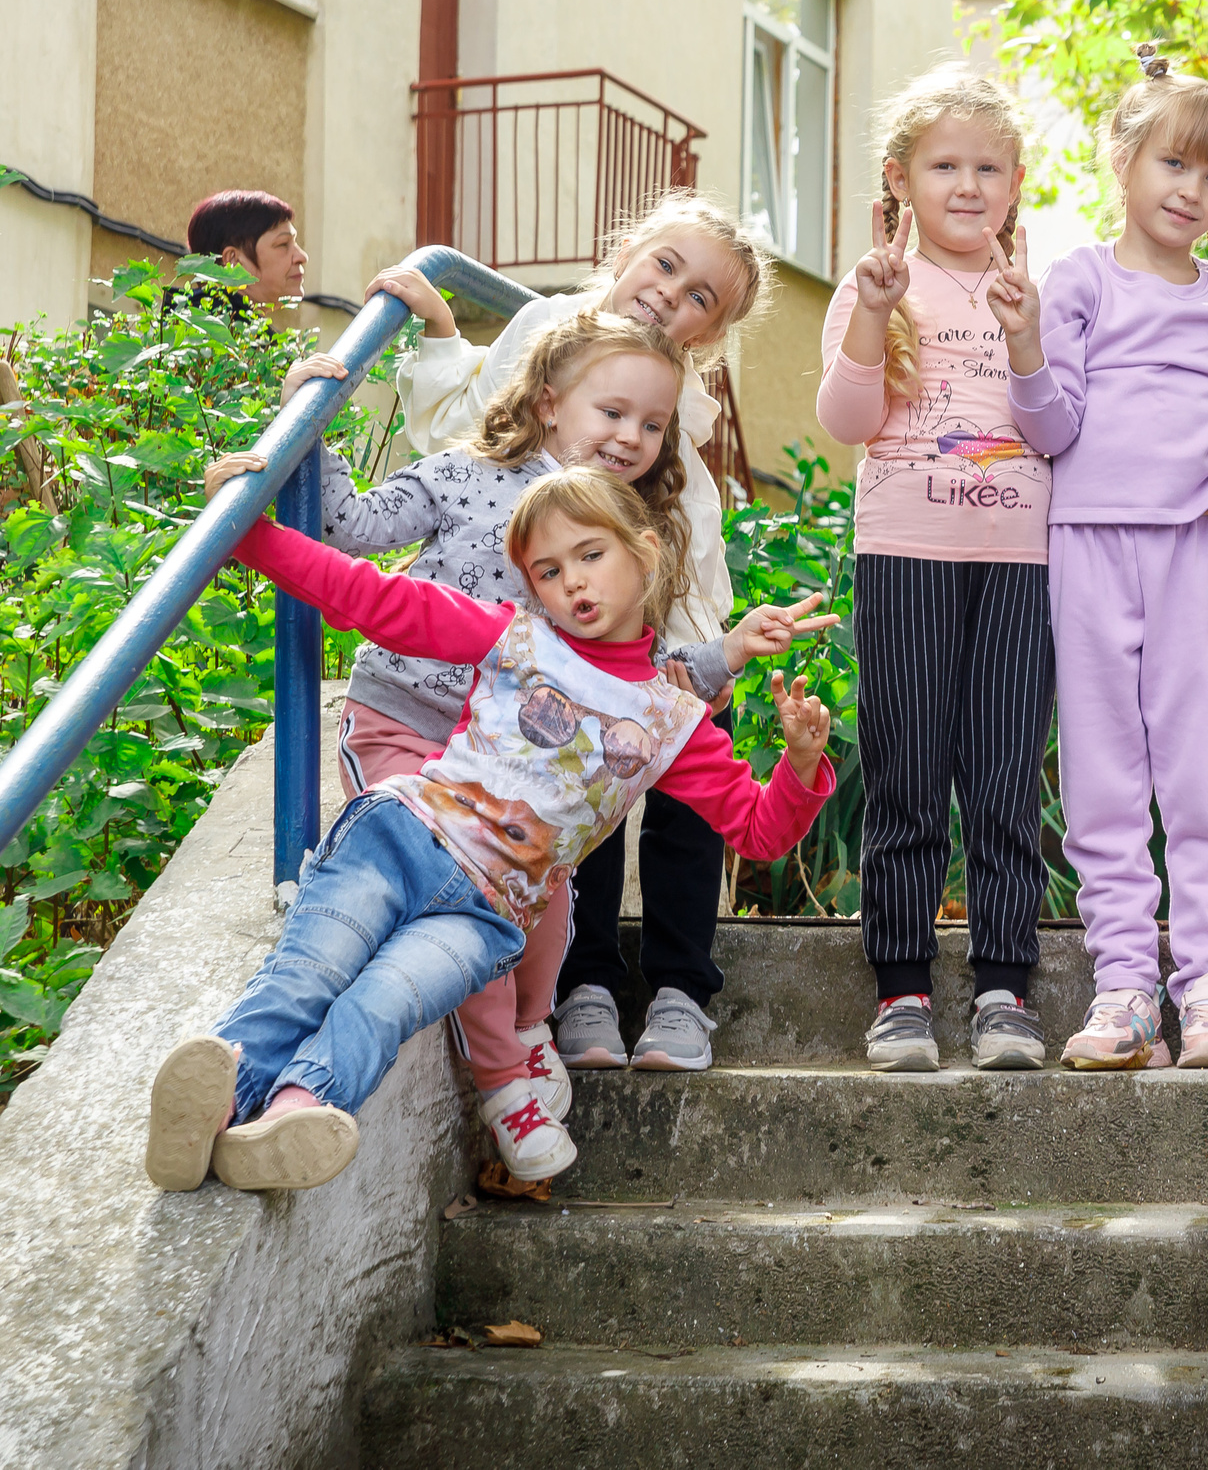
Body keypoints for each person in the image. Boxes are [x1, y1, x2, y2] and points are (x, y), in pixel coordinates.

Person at [144, 462, 835, 1196]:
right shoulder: (514, 636)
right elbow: (371, 598)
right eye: (548, 570)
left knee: (385, 1006)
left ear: (646, 550)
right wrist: (248, 534)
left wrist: (800, 763)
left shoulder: (673, 723)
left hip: (486, 917)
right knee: (309, 976)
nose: (573, 582)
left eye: (591, 554)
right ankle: (214, 1099)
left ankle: (290, 1114)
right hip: (401, 840)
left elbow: (758, 830)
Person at [282, 308, 831, 1174]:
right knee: (451, 910)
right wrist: (307, 434)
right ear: (547, 403)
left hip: (514, 771)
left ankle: (526, 1023)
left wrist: (747, 687)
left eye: (652, 425)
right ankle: (498, 1075)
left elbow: (630, 683)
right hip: (409, 724)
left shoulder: (620, 531)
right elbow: (359, 557)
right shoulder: (466, 480)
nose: (632, 437)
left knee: (545, 902)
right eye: (612, 412)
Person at [384, 191, 771, 1074]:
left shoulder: (678, 414)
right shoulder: (549, 329)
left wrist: (701, 662)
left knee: (684, 764)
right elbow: (470, 429)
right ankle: (586, 981)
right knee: (573, 767)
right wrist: (441, 330)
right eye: (665, 264)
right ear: (626, 254)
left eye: (701, 297)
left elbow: (690, 540)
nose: (671, 294)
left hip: (652, 633)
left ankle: (681, 989)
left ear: (710, 334)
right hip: (547, 640)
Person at [1009, 47, 1208, 1072]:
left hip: (1199, 560)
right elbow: (1050, 429)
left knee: (1205, 782)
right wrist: (1026, 346)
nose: (1193, 190)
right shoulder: (1078, 280)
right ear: (1122, 159)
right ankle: (1125, 986)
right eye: (1175, 163)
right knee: (1103, 781)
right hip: (1086, 550)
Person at [815, 69, 1059, 1072]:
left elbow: (1056, 430)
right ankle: (902, 990)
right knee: (908, 775)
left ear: (1015, 183)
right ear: (900, 179)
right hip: (904, 554)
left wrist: (1026, 336)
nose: (967, 185)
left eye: (988, 168)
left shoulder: (1036, 295)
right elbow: (848, 422)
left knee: (1004, 778)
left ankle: (1005, 988)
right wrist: (873, 315)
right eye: (945, 166)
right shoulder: (874, 287)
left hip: (1019, 562)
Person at [184, 189, 309, 307]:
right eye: (283, 244)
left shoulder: (191, 317)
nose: (302, 257)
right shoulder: (207, 323)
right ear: (233, 261)